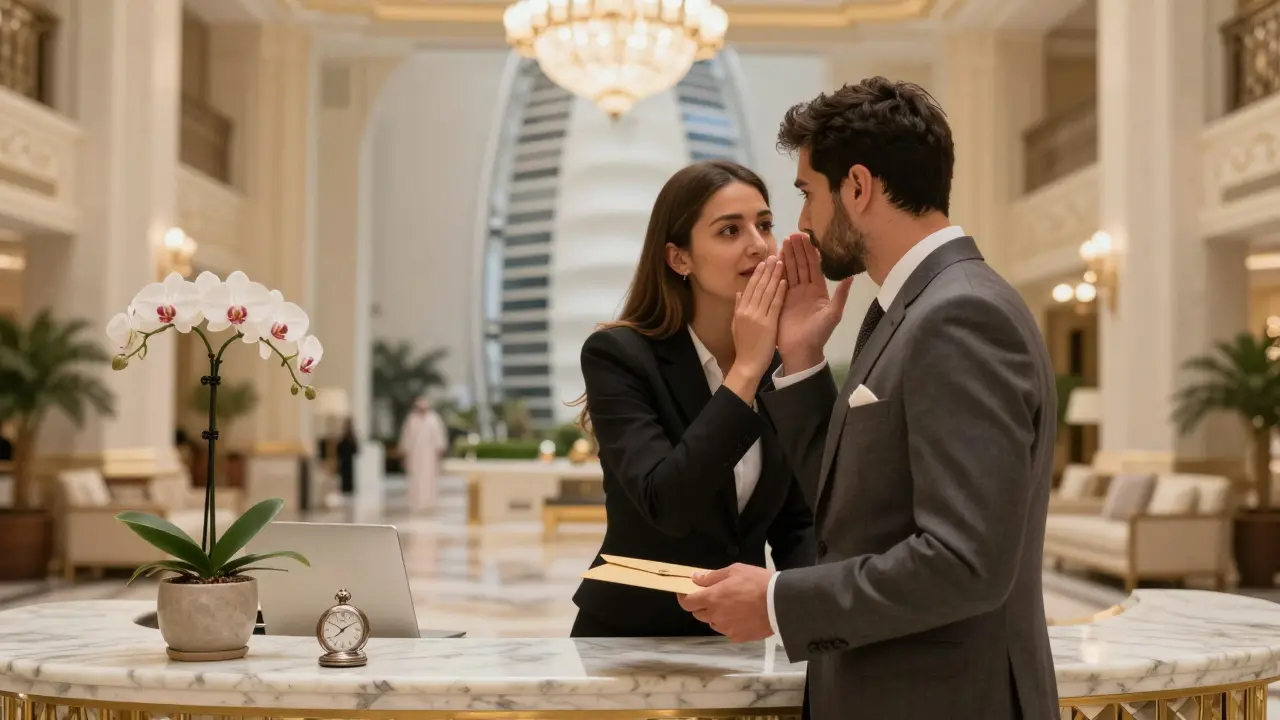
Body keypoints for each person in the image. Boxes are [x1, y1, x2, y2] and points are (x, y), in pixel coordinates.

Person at [677, 78, 1059, 719]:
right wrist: (799, 359)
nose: (799, 223)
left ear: (857, 186)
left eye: (806, 193)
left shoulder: (958, 313)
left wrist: (778, 601)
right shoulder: (912, 307)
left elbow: (966, 561)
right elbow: (859, 503)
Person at [569, 159, 815, 638]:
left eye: (764, 225)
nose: (759, 245)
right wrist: (744, 371)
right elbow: (666, 503)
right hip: (629, 637)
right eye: (729, 230)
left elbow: (796, 524)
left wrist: (801, 612)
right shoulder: (619, 356)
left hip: (743, 636)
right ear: (679, 258)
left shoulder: (778, 362)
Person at [398, 396, 447, 512]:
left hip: (430, 455)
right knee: (416, 478)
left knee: (430, 479)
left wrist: (440, 450)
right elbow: (406, 437)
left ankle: (429, 502)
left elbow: (439, 436)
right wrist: (404, 451)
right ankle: (416, 503)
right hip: (415, 455)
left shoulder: (434, 419)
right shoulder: (411, 419)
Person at [336, 418, 359, 497]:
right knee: (345, 475)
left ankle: (348, 489)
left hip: (349, 460)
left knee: (349, 475)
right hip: (345, 459)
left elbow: (355, 449)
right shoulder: (345, 437)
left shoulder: (351, 437)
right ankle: (346, 489)